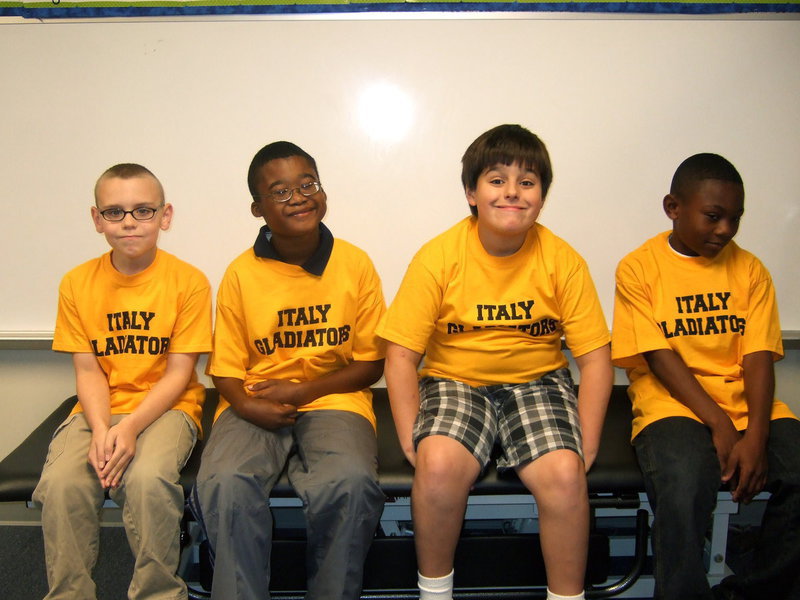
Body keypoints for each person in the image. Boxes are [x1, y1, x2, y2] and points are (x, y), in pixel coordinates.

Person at [377, 124, 613, 600]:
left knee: (565, 475)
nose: (512, 192)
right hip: (455, 381)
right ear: (472, 193)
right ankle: (435, 594)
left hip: (537, 382)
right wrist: (410, 439)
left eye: (527, 182)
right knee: (438, 467)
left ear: (542, 197)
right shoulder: (438, 257)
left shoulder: (563, 260)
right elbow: (400, 356)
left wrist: (585, 448)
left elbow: (596, 361)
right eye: (497, 180)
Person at [190, 141, 386, 600]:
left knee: (350, 482)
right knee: (225, 482)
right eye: (280, 192)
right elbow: (225, 368)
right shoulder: (241, 273)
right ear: (257, 209)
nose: (298, 197)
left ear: (323, 191)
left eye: (307, 184)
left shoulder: (355, 264)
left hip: (335, 397)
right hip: (255, 398)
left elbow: (371, 364)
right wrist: (246, 406)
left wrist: (300, 393)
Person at [611, 152, 800, 600]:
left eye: (736, 218)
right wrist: (719, 424)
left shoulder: (750, 270)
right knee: (683, 483)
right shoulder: (639, 267)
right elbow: (659, 357)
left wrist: (755, 437)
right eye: (714, 217)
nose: (726, 230)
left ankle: (752, 592)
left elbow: (758, 356)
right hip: (671, 402)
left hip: (744, 402)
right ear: (673, 207)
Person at [33, 163, 213, 600]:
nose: (129, 221)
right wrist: (101, 430)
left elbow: (179, 373)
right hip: (97, 408)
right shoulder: (77, 283)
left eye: (143, 210)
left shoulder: (188, 282)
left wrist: (129, 428)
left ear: (165, 216)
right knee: (62, 485)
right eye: (114, 212)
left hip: (167, 407)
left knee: (148, 480)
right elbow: (87, 370)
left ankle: (158, 593)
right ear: (97, 220)